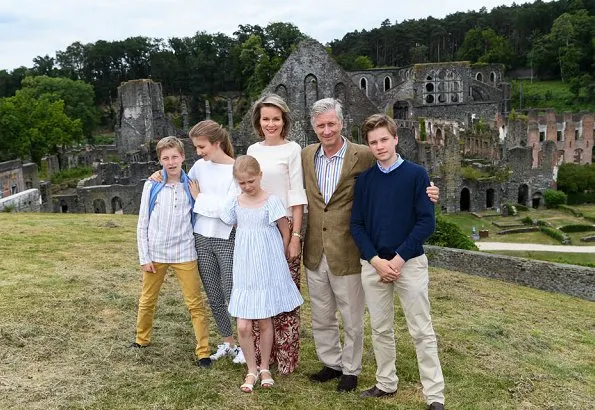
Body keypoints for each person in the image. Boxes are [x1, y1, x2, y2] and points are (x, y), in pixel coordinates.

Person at [301, 98, 440, 392]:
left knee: (369, 320)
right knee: (331, 316)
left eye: (332, 124)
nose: (326, 130)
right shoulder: (306, 156)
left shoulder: (363, 156)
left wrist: (431, 192)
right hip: (331, 250)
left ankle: (427, 391)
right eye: (320, 125)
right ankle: (343, 368)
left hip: (369, 254)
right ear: (313, 127)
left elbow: (423, 216)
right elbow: (358, 220)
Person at [350, 114, 445, 410]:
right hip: (375, 264)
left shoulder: (417, 175)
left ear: (395, 139)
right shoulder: (365, 181)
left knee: (421, 329)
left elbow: (426, 223)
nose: (379, 146)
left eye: (383, 140)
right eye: (373, 142)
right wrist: (376, 260)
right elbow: (357, 225)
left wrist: (400, 258)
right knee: (380, 328)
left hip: (410, 263)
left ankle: (434, 395)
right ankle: (386, 382)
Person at [148, 121, 246, 365]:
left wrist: (200, 199)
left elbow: (229, 214)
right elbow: (178, 182)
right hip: (200, 238)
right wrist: (157, 175)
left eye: (201, 146)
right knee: (213, 293)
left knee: (232, 292)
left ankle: (246, 346)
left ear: (217, 143)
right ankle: (228, 342)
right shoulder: (200, 167)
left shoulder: (236, 169)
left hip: (226, 238)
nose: (198, 152)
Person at [220, 155, 304, 393]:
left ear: (260, 176)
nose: (247, 186)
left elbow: (284, 229)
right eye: (242, 183)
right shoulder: (235, 203)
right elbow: (233, 223)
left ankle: (265, 367)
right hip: (246, 266)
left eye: (251, 181)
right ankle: (251, 368)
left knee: (266, 319)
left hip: (267, 264)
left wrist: (282, 253)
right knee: (245, 325)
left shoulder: (271, 200)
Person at [132, 136, 211, 368]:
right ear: (160, 161)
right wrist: (144, 257)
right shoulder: (152, 185)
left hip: (185, 252)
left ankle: (203, 351)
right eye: (165, 158)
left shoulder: (191, 185)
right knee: (147, 299)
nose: (171, 161)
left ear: (183, 157)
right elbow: (142, 223)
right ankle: (141, 339)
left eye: (175, 156)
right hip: (156, 253)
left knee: (195, 303)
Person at [246, 94, 307, 375]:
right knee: (260, 296)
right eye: (266, 119)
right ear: (259, 122)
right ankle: (261, 358)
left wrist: (295, 236)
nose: (271, 124)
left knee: (284, 296)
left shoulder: (293, 150)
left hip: (284, 231)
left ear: (284, 121)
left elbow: (296, 196)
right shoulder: (252, 150)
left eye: (276, 119)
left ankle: (286, 358)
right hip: (258, 232)